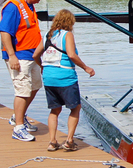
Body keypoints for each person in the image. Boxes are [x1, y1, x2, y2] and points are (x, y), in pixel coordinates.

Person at [33, 9, 95, 151]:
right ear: (70, 22)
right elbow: (72, 55)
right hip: (65, 77)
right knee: (75, 108)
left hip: (48, 78)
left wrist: (42, 67)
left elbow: (36, 55)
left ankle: (53, 142)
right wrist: (86, 68)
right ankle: (69, 141)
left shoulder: (47, 36)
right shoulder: (67, 35)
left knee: (54, 110)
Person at [0, 0, 50, 142]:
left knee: (35, 86)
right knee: (22, 89)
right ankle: (18, 128)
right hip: (19, 55)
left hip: (31, 55)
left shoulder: (30, 6)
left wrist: (40, 60)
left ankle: (18, 116)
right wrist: (12, 55)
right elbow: (5, 32)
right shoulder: (13, 6)